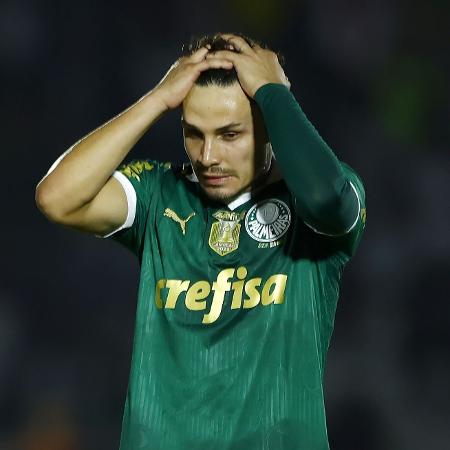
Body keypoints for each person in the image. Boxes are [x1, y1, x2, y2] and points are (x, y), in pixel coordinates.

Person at [36, 32, 366, 450]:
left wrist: (274, 92)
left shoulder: (312, 205)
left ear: (269, 126)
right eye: (194, 133)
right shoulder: (159, 194)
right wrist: (156, 99)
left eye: (230, 135)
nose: (208, 155)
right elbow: (56, 197)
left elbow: (326, 197)